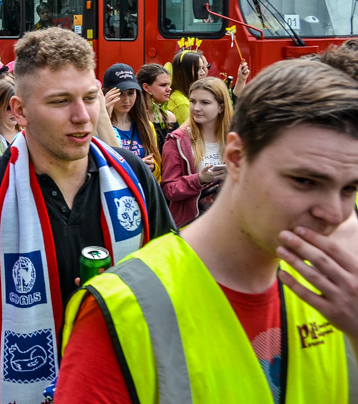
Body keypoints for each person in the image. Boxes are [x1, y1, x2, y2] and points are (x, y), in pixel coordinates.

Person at [57, 51, 358, 402]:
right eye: (304, 181)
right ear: (236, 158)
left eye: (349, 188)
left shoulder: (340, 289)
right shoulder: (123, 310)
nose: (334, 214)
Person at [0, 28, 175, 404]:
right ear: (20, 111)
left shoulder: (132, 174)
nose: (82, 116)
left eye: (90, 98)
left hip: (125, 384)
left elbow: (170, 264)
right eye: (60, 102)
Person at [161, 76, 233, 227]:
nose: (196, 108)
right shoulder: (177, 141)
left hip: (231, 222)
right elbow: (169, 190)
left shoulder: (235, 138)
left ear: (221, 107)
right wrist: (199, 178)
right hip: (193, 225)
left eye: (204, 102)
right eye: (193, 101)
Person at [103, 63, 161, 179]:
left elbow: (158, 167)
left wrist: (153, 168)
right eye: (120, 94)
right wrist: (104, 116)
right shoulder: (101, 127)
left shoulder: (146, 126)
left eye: (131, 93)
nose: (126, 100)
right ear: (107, 95)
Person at [136, 63, 177, 149]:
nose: (169, 89)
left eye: (168, 84)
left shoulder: (170, 117)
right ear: (146, 87)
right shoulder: (134, 118)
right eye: (163, 85)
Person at [163, 49, 200, 125]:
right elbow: (190, 130)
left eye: (205, 67)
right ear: (184, 72)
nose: (203, 72)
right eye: (198, 69)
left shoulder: (178, 96)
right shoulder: (182, 103)